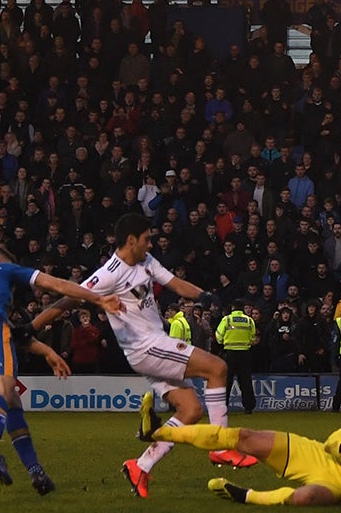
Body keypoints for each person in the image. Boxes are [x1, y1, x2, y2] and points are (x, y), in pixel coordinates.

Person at [35, 213, 242, 498]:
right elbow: (69, 299)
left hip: (154, 344)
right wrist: (31, 328)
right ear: (131, 240)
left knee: (191, 410)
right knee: (217, 368)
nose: (150, 244)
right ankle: (221, 447)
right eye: (146, 239)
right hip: (145, 346)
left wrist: (205, 295)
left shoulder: (146, 261)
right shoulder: (109, 273)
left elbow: (175, 284)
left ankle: (140, 466)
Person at [0, 244, 121, 494]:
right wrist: (96, 298)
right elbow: (55, 285)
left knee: (11, 402)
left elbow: (10, 332)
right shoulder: (1, 267)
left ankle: (36, 472)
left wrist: (47, 352)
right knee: (2, 388)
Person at [161, 401, 341, 508]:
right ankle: (161, 433)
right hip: (318, 455)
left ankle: (246, 496)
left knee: (305, 498)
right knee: (245, 437)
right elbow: (331, 442)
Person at [214, 302, 258, 415]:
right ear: (243, 308)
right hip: (245, 353)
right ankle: (248, 407)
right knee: (246, 381)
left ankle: (223, 407)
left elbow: (218, 336)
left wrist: (224, 342)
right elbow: (253, 336)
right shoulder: (249, 320)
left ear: (232, 308)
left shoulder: (227, 319)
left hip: (229, 353)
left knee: (226, 381)